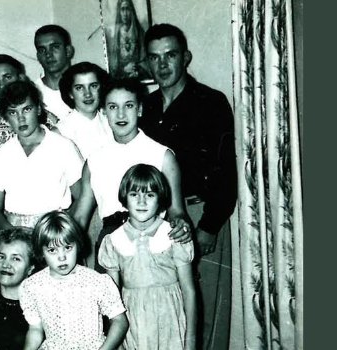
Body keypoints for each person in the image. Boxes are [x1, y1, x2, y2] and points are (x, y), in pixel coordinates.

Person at [139, 23, 237, 350]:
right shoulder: (144, 108)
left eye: (170, 55)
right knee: (167, 309)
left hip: (198, 216)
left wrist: (209, 225)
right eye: (154, 58)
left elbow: (226, 170)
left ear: (186, 58)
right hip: (152, 220)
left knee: (204, 307)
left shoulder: (210, 102)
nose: (162, 65)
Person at [76, 78, 191, 272]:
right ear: (103, 111)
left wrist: (181, 224)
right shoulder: (94, 160)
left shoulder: (162, 156)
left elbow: (177, 211)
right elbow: (80, 217)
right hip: (111, 247)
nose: (121, 114)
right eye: (113, 107)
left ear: (139, 109)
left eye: (128, 106)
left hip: (154, 247)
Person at [99, 164, 197, 350]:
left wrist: (190, 341)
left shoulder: (174, 235)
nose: (142, 202)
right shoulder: (113, 241)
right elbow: (111, 301)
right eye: (134, 195)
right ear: (124, 198)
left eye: (150, 195)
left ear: (160, 198)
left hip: (170, 322)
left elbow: (189, 292)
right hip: (132, 325)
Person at [0, 81, 85, 232]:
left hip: (53, 232)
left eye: (26, 109)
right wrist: (12, 232)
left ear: (38, 109)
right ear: (6, 117)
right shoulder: (2, 155)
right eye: (13, 112)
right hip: (15, 231)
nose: (21, 118)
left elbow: (81, 197)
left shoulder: (63, 147)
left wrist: (62, 227)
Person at [20, 211, 128, 350]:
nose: (62, 257)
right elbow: (35, 329)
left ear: (78, 245)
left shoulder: (95, 281)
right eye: (52, 250)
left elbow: (120, 321)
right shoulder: (33, 286)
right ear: (41, 252)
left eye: (68, 248)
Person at [56, 61, 112, 160]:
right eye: (79, 88)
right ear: (70, 93)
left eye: (93, 86)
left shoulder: (112, 123)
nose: (88, 94)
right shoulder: (61, 132)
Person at [33, 24, 75, 120]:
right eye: (42, 50)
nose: (48, 54)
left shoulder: (86, 89)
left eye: (55, 47)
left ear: (68, 51)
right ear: (38, 56)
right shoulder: (31, 93)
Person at [110, 0, 149, 79]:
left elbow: (146, 59)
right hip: (121, 78)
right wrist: (124, 69)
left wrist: (137, 70)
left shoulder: (139, 32)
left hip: (137, 76)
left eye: (127, 9)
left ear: (132, 11)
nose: (125, 14)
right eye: (122, 9)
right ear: (119, 12)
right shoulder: (116, 35)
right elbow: (113, 65)